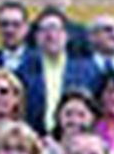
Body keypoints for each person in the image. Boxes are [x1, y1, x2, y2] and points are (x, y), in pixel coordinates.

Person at [19, 7, 97, 135]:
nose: (51, 35)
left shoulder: (88, 70)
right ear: (37, 37)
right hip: (36, 139)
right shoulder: (24, 70)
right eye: (44, 30)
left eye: (56, 29)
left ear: (66, 35)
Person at [0, 0, 31, 74]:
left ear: (26, 28)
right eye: (4, 24)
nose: (10, 30)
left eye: (16, 24)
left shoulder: (41, 62)